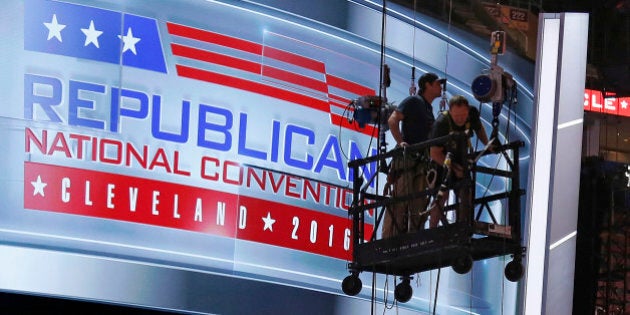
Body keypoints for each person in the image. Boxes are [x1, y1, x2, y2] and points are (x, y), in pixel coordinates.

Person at [382, 72, 445, 238]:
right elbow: (393, 120)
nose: (441, 87)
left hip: (421, 163)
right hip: (408, 161)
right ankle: (390, 240)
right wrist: (401, 141)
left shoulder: (428, 109)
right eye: (437, 84)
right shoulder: (414, 101)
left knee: (419, 204)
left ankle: (413, 238)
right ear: (428, 85)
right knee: (400, 201)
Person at [428, 95, 491, 228]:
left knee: (466, 193)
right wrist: (454, 169)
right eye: (456, 116)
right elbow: (434, 153)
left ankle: (464, 226)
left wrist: (487, 144)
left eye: (463, 115)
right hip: (442, 161)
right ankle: (432, 229)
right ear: (450, 111)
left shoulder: (472, 114)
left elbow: (479, 128)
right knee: (442, 196)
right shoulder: (441, 123)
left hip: (461, 157)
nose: (460, 119)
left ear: (467, 110)